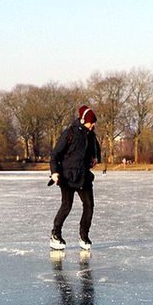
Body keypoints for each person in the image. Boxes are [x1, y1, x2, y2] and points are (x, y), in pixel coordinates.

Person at [49, 105, 101, 251]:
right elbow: (55, 154)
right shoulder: (69, 133)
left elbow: (95, 149)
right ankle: (55, 235)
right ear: (84, 120)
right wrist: (54, 172)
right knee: (66, 206)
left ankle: (84, 236)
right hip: (67, 176)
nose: (94, 125)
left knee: (89, 206)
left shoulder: (91, 135)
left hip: (84, 176)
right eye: (92, 122)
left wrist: (95, 158)